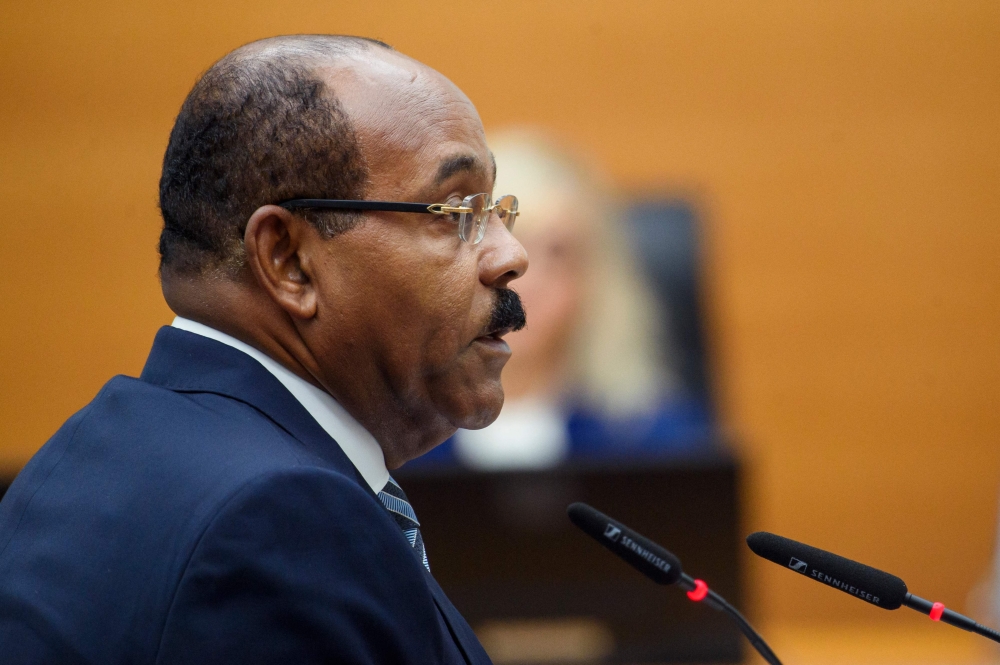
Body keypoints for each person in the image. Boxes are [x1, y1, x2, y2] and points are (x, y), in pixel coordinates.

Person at [0, 35, 527, 663]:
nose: (510, 255)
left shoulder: (91, 452)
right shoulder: (280, 520)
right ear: (289, 261)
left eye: (496, 209)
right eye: (456, 211)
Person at [415, 130, 713, 471]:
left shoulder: (655, 442)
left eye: (558, 254)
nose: (529, 279)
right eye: (511, 243)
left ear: (595, 281)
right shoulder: (397, 441)